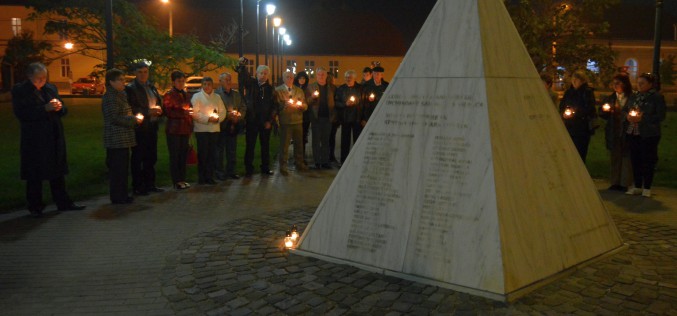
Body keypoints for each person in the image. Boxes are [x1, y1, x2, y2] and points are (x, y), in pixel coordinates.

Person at [11, 62, 85, 217]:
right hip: (34, 139)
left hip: (53, 136)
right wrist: (44, 109)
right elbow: (22, 113)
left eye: (44, 77)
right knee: (34, 173)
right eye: (38, 78)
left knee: (57, 171)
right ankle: (35, 206)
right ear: (30, 76)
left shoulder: (50, 89)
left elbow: (63, 109)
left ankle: (63, 202)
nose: (41, 81)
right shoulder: (20, 91)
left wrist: (59, 107)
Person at [623, 73, 666, 198]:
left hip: (648, 133)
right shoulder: (634, 96)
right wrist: (628, 116)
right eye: (638, 82)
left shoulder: (656, 97)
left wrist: (642, 118)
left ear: (650, 84)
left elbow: (660, 115)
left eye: (642, 83)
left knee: (647, 160)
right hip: (633, 131)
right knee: (635, 159)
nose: (639, 85)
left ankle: (647, 187)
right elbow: (626, 109)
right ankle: (637, 185)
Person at [102, 68, 142, 204]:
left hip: (124, 138)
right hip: (116, 139)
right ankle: (117, 196)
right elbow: (113, 117)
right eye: (120, 80)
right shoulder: (110, 97)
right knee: (117, 169)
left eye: (124, 80)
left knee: (124, 168)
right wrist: (133, 120)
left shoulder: (121, 94)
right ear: (111, 82)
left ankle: (123, 194)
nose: (123, 82)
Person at [126, 62, 164, 195]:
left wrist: (159, 110)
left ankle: (150, 184)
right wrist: (148, 112)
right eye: (140, 72)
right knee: (138, 157)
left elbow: (158, 102)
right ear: (135, 73)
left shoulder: (152, 87)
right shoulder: (131, 88)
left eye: (145, 72)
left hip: (152, 126)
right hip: (140, 128)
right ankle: (138, 186)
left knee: (151, 157)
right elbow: (131, 107)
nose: (143, 74)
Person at [238, 58, 276, 177]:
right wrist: (242, 66)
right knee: (250, 145)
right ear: (256, 73)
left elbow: (274, 106)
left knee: (265, 146)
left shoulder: (270, 89)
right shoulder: (251, 84)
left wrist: (270, 120)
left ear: (268, 75)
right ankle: (249, 168)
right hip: (252, 120)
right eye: (261, 73)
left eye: (265, 73)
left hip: (265, 122)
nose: (263, 75)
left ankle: (265, 167)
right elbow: (244, 77)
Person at [599, 74, 634, 192]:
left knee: (626, 157)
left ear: (624, 84)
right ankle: (615, 182)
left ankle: (625, 182)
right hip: (614, 130)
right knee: (615, 156)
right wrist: (605, 110)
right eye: (614, 83)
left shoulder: (631, 97)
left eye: (618, 83)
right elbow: (603, 114)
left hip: (627, 130)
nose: (615, 86)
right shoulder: (611, 98)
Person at [191, 77, 226, 185]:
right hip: (202, 130)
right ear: (202, 85)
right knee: (203, 154)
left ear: (212, 85)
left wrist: (218, 118)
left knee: (212, 154)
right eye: (205, 84)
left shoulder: (217, 97)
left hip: (214, 129)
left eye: (209, 84)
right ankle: (201, 177)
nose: (207, 86)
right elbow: (195, 113)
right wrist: (207, 119)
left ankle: (210, 176)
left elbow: (223, 111)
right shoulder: (197, 97)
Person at [163, 71, 193, 190]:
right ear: (173, 82)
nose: (181, 83)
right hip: (174, 129)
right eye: (179, 81)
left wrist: (190, 114)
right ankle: (176, 181)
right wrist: (183, 112)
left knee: (182, 155)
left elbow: (190, 107)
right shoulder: (169, 95)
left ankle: (182, 179)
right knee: (175, 155)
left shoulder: (186, 94)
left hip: (185, 128)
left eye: (183, 81)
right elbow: (168, 111)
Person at [275, 71, 308, 175]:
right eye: (287, 77)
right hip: (286, 122)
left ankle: (299, 163)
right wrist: (284, 105)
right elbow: (276, 106)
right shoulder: (278, 91)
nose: (289, 79)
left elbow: (305, 104)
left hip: (298, 120)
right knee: (284, 145)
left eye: (291, 77)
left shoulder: (298, 90)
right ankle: (283, 166)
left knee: (299, 144)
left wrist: (302, 106)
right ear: (283, 78)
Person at [559, 70, 596, 162]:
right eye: (573, 79)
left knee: (580, 153)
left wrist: (574, 113)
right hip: (569, 127)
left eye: (577, 79)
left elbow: (589, 108)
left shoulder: (587, 92)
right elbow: (562, 105)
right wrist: (564, 113)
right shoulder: (569, 92)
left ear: (582, 81)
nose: (574, 81)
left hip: (581, 129)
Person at [215, 72, 246, 180]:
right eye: (226, 80)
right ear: (220, 81)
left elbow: (243, 106)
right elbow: (214, 109)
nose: (228, 82)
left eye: (229, 79)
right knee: (220, 150)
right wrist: (227, 115)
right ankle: (219, 172)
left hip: (234, 125)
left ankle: (231, 171)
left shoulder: (236, 94)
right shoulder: (216, 94)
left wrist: (239, 116)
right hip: (222, 125)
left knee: (232, 149)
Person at [306, 67, 336, 169]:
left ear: (326, 75)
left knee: (326, 141)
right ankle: (317, 161)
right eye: (319, 74)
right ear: (316, 75)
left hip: (328, 117)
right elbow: (306, 102)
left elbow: (335, 101)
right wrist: (312, 98)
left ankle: (325, 161)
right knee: (316, 140)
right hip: (316, 117)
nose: (321, 76)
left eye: (323, 74)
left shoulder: (331, 87)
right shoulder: (310, 87)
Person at [335, 69, 363, 164]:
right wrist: (345, 104)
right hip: (345, 118)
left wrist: (357, 102)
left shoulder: (360, 88)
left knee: (357, 140)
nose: (348, 79)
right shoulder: (341, 88)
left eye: (350, 77)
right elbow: (336, 102)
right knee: (345, 141)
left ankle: (357, 160)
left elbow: (364, 102)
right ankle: (344, 161)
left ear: (354, 78)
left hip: (357, 118)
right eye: (346, 77)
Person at [294, 71, 311, 158]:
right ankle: (296, 156)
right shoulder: (294, 88)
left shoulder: (308, 89)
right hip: (295, 115)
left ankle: (302, 157)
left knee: (303, 136)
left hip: (305, 116)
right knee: (296, 137)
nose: (302, 80)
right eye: (300, 78)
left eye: (303, 78)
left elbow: (309, 102)